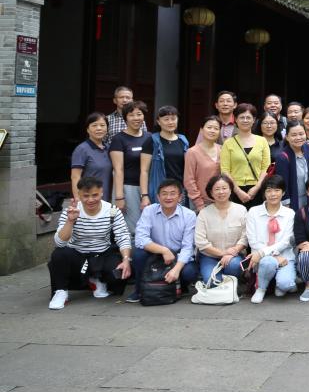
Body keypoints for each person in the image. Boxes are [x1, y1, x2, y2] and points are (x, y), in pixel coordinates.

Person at [48, 177, 132, 310]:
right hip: (77, 255)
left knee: (118, 276)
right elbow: (59, 242)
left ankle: (97, 280)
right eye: (86, 196)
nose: (91, 200)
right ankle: (61, 291)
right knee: (59, 254)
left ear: (102, 192)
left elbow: (123, 236)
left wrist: (126, 259)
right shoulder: (71, 210)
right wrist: (70, 221)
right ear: (79, 194)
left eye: (95, 195)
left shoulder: (112, 210)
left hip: (102, 254)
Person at [126, 179, 197, 303]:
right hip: (155, 253)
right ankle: (140, 289)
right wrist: (163, 250)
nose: (168, 197)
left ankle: (179, 285)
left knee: (190, 272)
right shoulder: (149, 211)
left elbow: (188, 247)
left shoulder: (189, 215)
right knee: (138, 254)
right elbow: (140, 239)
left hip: (177, 255)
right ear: (158, 197)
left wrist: (176, 269)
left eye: (173, 193)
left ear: (180, 197)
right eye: (164, 194)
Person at [245, 173, 297, 303]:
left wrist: (267, 253)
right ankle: (261, 288)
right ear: (264, 193)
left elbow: (286, 242)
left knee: (284, 285)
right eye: (269, 190)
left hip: (285, 257)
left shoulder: (290, 214)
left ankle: (281, 284)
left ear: (283, 192)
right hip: (261, 259)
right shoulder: (253, 212)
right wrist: (271, 256)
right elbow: (252, 241)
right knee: (268, 262)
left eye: (277, 190)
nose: (273, 194)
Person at [194, 174, 248, 284]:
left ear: (230, 190)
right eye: (217, 189)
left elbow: (245, 236)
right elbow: (201, 242)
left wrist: (233, 252)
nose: (221, 192)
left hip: (234, 255)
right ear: (211, 192)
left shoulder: (241, 210)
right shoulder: (204, 213)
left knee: (234, 266)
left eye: (224, 188)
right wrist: (223, 253)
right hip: (210, 256)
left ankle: (232, 283)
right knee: (211, 282)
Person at [220, 103, 271, 207]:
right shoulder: (228, 143)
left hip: (258, 189)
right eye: (242, 117)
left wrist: (256, 187)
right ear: (236, 119)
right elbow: (224, 170)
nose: (245, 120)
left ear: (254, 120)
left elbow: (266, 168)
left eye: (248, 117)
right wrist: (237, 191)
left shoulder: (262, 141)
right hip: (234, 190)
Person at [139, 106, 189, 207]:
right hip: (160, 189)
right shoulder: (152, 141)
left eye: (173, 119)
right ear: (158, 121)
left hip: (179, 190)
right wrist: (144, 195)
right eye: (166, 119)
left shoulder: (183, 140)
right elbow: (144, 171)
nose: (170, 122)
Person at [110, 100, 147, 232]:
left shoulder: (149, 137)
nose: (136, 118)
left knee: (146, 226)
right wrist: (119, 197)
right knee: (131, 228)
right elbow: (118, 169)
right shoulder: (119, 139)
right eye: (131, 115)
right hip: (127, 188)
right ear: (125, 118)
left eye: (139, 114)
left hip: (146, 188)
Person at [273, 121, 309, 211]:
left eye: (301, 134)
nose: (298, 138)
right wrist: (286, 206)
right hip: (294, 201)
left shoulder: (308, 148)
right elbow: (282, 185)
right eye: (294, 135)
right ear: (287, 137)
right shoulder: (283, 157)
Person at [71, 113, 113, 203]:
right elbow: (75, 177)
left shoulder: (109, 148)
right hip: (89, 199)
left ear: (107, 128)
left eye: (102, 125)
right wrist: (78, 200)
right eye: (94, 125)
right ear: (88, 129)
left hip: (105, 199)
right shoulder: (82, 149)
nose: (99, 128)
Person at [184, 116, 221, 212]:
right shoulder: (192, 152)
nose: (212, 131)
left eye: (216, 128)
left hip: (221, 200)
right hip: (201, 202)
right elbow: (189, 180)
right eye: (209, 127)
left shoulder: (223, 149)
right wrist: (199, 203)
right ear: (201, 129)